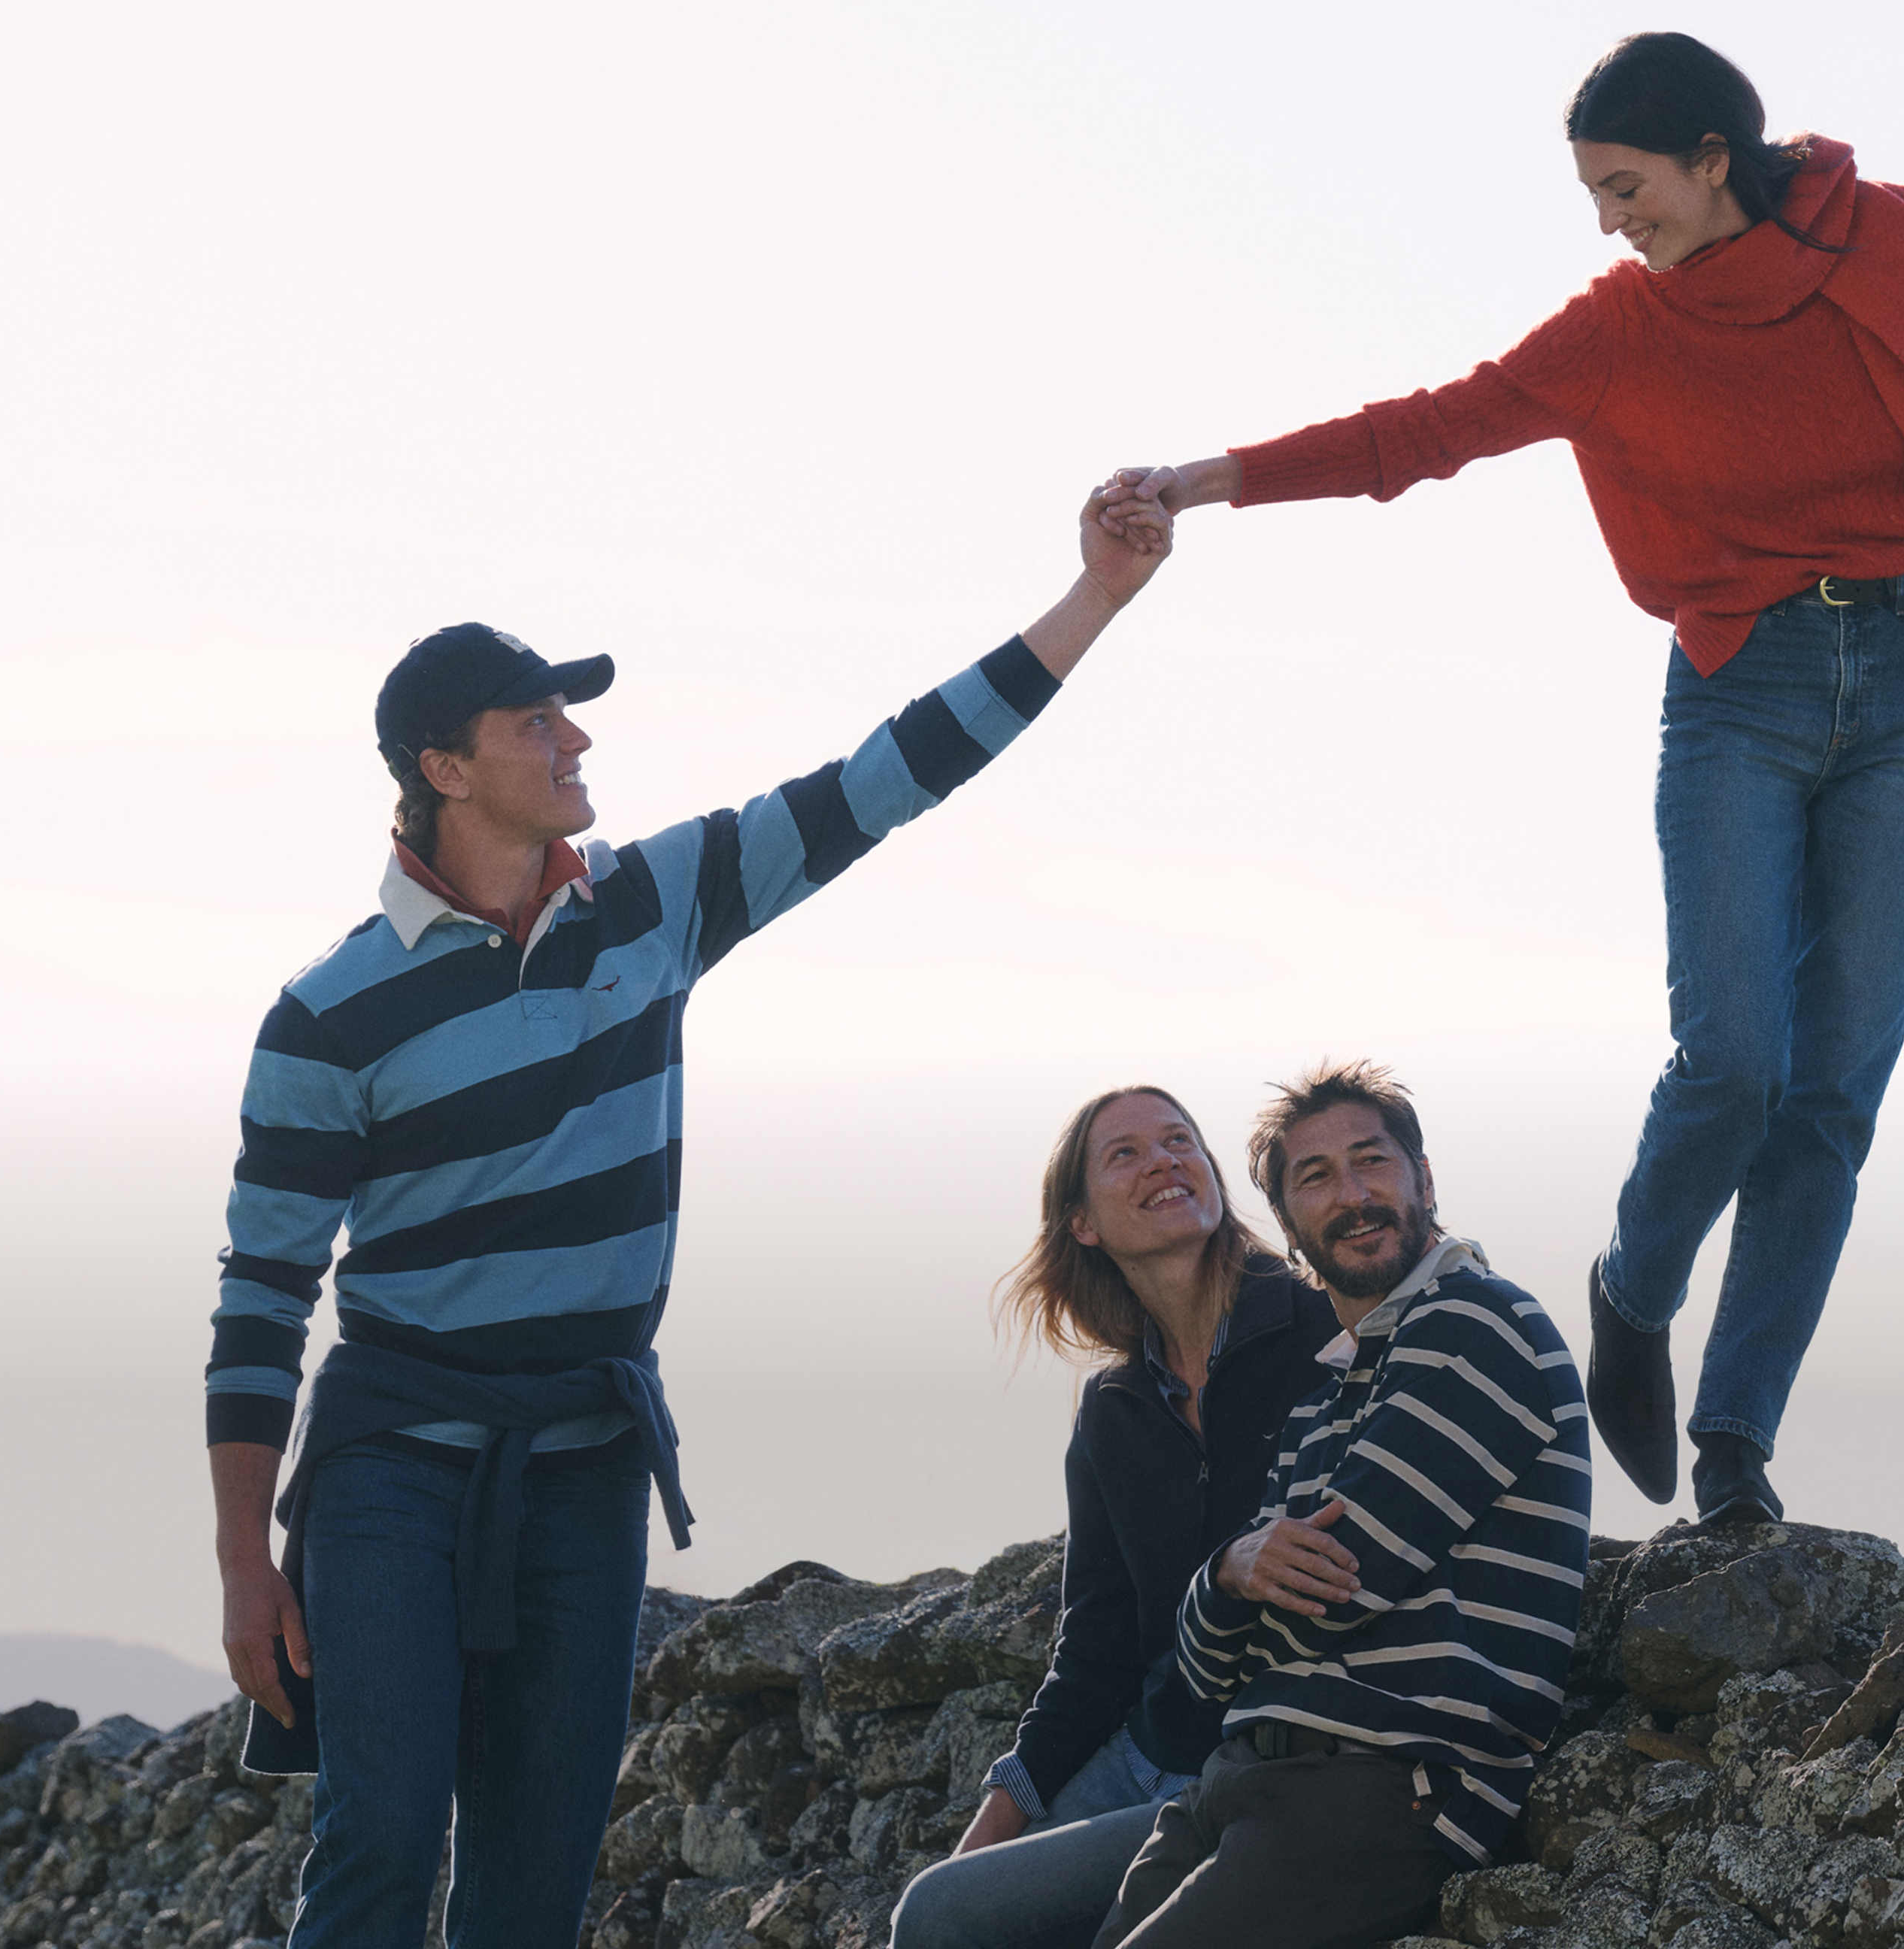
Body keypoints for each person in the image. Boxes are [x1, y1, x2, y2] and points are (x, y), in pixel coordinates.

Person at [1098, 32, 1904, 1527]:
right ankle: (1633, 1286)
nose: (1612, 223)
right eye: (1596, 197)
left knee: (1828, 1102)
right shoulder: (1619, 331)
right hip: (1740, 686)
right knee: (1733, 1058)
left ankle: (1735, 1447)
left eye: (1626, 190)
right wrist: (1203, 481)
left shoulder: (1893, 237)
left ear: (1709, 164)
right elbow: (1418, 433)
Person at [205, 484, 1169, 1949]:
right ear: (445, 771)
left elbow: (883, 779)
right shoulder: (329, 1016)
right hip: (392, 1465)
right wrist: (239, 1571)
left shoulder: (657, 902)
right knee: (380, 1845)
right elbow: (258, 1309)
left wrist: (1092, 596)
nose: (576, 740)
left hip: (587, 1458)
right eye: (538, 723)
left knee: (532, 1888)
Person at [1084, 1063, 1591, 1949]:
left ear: (1423, 1180)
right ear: (1285, 1225)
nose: (1352, 1196)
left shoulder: (1475, 1323)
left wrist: (1245, 1594)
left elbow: (1337, 1589)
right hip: (1233, 1781)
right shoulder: (1321, 1399)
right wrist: (1234, 1571)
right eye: (1314, 1179)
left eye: (1372, 1163)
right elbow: (1199, 1669)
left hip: (1379, 1790)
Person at [886, 1088, 1337, 1949]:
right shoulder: (1113, 1409)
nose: (1163, 1159)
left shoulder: (1325, 1333)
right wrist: (980, 1837)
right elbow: (1093, 1648)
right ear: (1082, 1223)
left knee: (979, 1925)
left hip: (1255, 1770)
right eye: (1123, 1154)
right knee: (937, 1909)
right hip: (1137, 1752)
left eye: (1179, 1141)